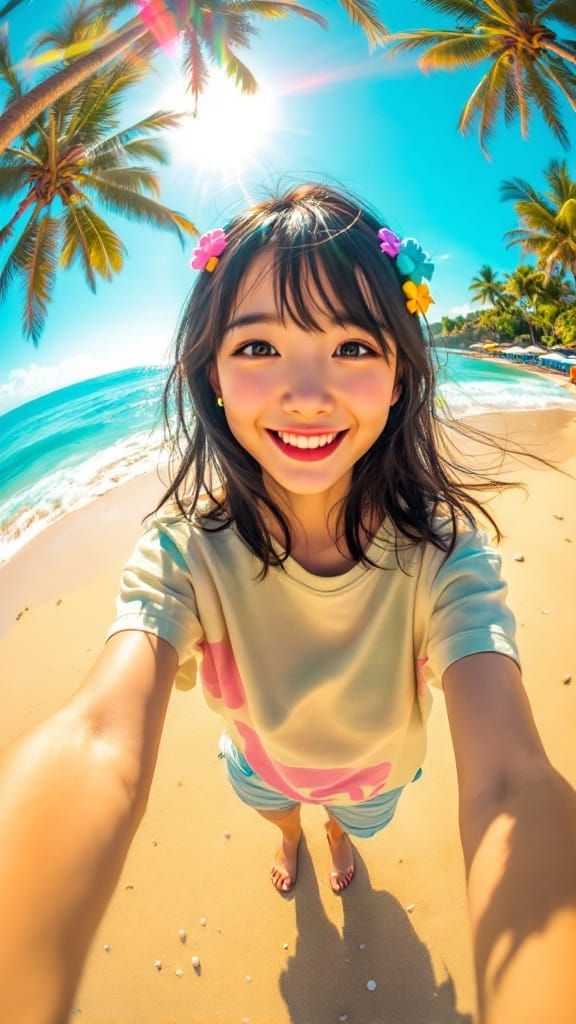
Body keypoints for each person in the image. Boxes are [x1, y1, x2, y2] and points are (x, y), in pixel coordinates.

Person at [1, 182, 575, 1024]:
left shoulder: (445, 554)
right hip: (260, 764)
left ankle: (336, 832)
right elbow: (96, 735)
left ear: (400, 371)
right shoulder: (184, 552)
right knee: (279, 814)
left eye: (351, 346)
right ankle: (290, 837)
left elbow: (510, 777)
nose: (307, 393)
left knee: (350, 821)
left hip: (377, 776)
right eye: (259, 346)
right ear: (213, 374)